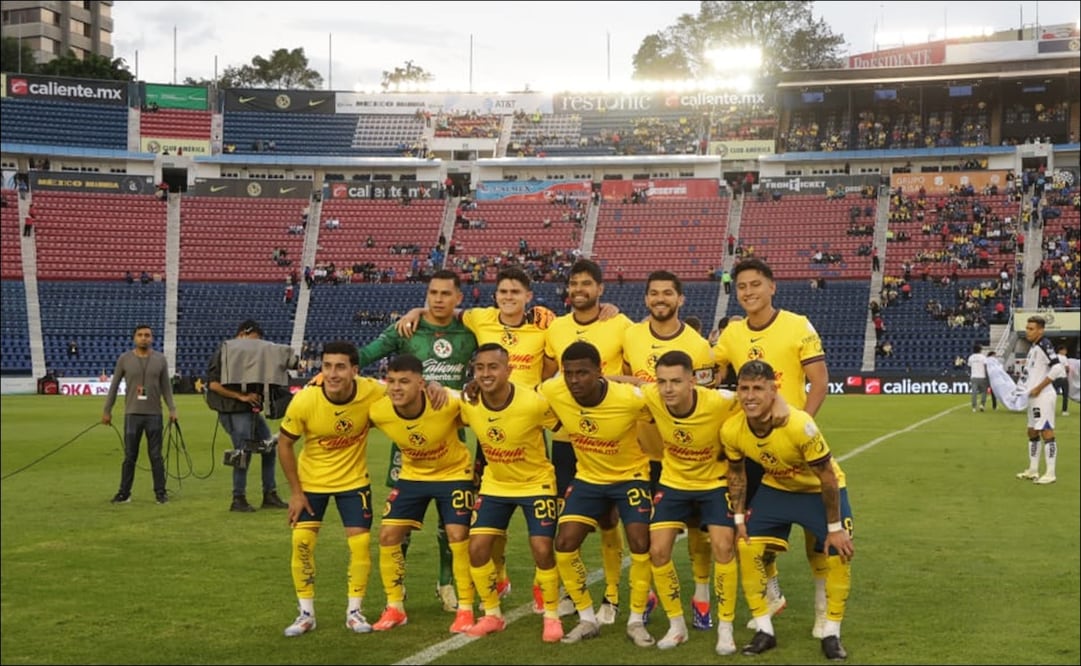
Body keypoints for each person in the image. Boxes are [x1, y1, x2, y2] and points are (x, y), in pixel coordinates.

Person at [395, 266, 558, 611]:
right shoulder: (481, 317)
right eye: (503, 292)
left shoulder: (545, 326)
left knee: (538, 516)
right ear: (495, 296)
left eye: (516, 292)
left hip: (528, 425)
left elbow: (553, 365)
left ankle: (542, 585)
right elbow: (444, 310)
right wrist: (415, 311)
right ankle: (499, 574)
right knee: (489, 512)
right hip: (488, 424)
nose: (509, 298)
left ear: (529, 296)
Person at [712, 257, 830, 637]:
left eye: (755, 285)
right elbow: (705, 370)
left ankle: (824, 605)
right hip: (753, 448)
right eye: (741, 287)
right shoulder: (731, 335)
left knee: (818, 533)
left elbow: (820, 382)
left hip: (796, 446)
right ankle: (772, 592)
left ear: (772, 287)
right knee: (753, 531)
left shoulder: (797, 326)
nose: (748, 292)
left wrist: (802, 427)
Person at [358, 269, 477, 612]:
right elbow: (368, 353)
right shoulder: (408, 328)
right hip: (406, 436)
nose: (438, 299)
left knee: (450, 521)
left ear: (458, 298)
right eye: (432, 293)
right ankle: (398, 586)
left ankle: (446, 583)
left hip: (449, 430)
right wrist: (339, 371)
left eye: (445, 294)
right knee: (400, 522)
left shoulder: (470, 330)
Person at [724, 360, 854, 661]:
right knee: (746, 545)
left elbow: (827, 476)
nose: (750, 395)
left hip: (816, 490)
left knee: (839, 553)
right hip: (778, 488)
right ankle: (765, 631)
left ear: (774, 391)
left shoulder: (799, 424)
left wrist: (835, 529)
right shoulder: (732, 429)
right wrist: (740, 518)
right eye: (744, 388)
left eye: (758, 388)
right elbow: (736, 474)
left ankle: (832, 632)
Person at [539, 341, 656, 647]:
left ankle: (635, 620)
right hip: (588, 478)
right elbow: (519, 397)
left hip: (630, 476)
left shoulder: (629, 400)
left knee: (641, 542)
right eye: (569, 373)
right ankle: (587, 618)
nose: (575, 380)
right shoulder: (554, 392)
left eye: (583, 373)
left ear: (600, 372)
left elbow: (663, 397)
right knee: (564, 543)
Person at [620, 271, 717, 631]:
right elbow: (628, 383)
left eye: (668, 294)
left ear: (681, 300)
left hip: (686, 457)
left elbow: (706, 400)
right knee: (642, 531)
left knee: (696, 529)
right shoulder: (630, 335)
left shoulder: (698, 346)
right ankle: (645, 594)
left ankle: (702, 595)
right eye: (654, 294)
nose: (660, 299)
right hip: (641, 453)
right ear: (646, 299)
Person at [543, 259, 634, 624]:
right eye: (574, 284)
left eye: (586, 284)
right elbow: (550, 377)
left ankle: (612, 595)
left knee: (610, 518)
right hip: (569, 439)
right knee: (568, 519)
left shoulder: (620, 324)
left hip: (612, 439)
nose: (579, 289)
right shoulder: (555, 327)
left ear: (600, 289)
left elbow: (631, 374)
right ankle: (570, 590)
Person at [276, 341, 388, 637]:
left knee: (360, 545)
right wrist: (296, 493)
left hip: (354, 482)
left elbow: (405, 389)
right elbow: (285, 444)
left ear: (354, 370)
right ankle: (305, 614)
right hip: (312, 484)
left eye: (340, 367)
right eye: (327, 366)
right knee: (301, 543)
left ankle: (354, 611)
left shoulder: (372, 390)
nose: (333, 373)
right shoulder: (304, 401)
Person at [458, 343, 563, 642]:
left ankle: (552, 615)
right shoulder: (469, 402)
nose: (486, 373)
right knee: (477, 548)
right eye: (480, 368)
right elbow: (446, 404)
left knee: (542, 548)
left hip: (536, 482)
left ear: (509, 370)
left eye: (493, 367)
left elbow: (562, 425)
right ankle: (492, 614)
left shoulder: (533, 403)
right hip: (496, 484)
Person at [368, 354, 477, 634]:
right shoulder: (379, 411)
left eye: (404, 381)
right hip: (412, 476)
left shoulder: (446, 402)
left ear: (421, 383)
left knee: (457, 535)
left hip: (454, 474)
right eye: (391, 381)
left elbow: (483, 412)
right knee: (388, 535)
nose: (396, 388)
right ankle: (395, 606)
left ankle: (465, 608)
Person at [206, 319, 291, 513]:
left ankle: (269, 493)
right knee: (243, 452)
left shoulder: (248, 355)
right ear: (243, 333)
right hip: (232, 409)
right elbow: (213, 384)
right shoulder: (224, 352)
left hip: (247, 410)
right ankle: (238, 498)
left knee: (268, 447)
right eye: (253, 341)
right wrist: (242, 396)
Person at [102, 324, 177, 504]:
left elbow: (166, 387)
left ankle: (160, 493)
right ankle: (124, 492)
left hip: (154, 414)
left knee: (156, 456)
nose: (144, 338)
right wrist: (107, 410)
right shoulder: (124, 359)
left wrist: (172, 409)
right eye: (140, 335)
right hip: (132, 414)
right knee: (130, 456)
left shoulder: (160, 359)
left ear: (152, 338)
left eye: (147, 335)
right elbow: (113, 386)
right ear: (134, 338)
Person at [1015, 316, 1066, 484]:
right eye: (1027, 328)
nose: (1027, 331)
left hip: (1043, 396)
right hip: (1033, 396)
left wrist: (1039, 387)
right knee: (1032, 431)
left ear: (1041, 330)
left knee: (1046, 431)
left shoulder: (1045, 344)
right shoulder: (1034, 347)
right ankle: (1033, 470)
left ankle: (1050, 473)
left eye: (1031, 329)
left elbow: (1058, 368)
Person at [967, 343, 990, 412]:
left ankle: (974, 407)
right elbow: (986, 366)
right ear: (980, 349)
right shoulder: (983, 357)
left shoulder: (971, 357)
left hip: (974, 377)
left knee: (974, 393)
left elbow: (969, 366)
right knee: (984, 392)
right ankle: (982, 405)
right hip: (982, 376)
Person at [1054, 345, 1070, 416]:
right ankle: (1064, 411)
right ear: (1061, 351)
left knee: (1052, 394)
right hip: (1063, 378)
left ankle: (1049, 409)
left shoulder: (1054, 357)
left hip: (1055, 378)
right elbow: (1067, 368)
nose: (1065, 352)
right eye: (1064, 350)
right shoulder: (1064, 358)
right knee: (1065, 395)